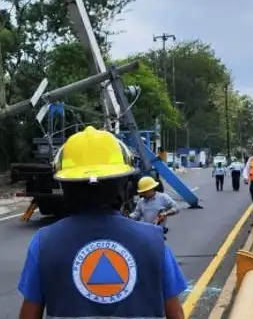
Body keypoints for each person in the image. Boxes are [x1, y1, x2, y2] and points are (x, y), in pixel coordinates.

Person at [17, 126, 189, 319]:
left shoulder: (44, 243)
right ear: (126, 188)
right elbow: (176, 314)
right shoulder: (154, 242)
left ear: (65, 187)